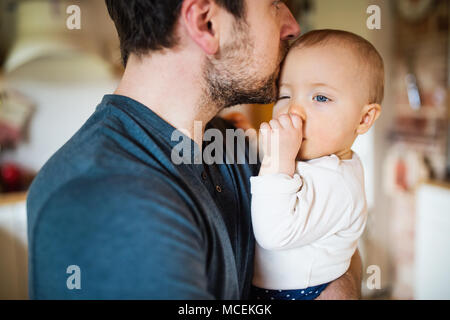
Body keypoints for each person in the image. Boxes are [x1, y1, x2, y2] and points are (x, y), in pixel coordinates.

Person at [27, 0, 361, 299]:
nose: (292, 25)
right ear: (206, 23)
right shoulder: (107, 199)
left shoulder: (229, 142)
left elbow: (334, 239)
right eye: (274, 4)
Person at [249, 30, 384, 300]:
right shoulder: (317, 160)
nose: (293, 111)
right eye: (285, 96)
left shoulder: (338, 183)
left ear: (364, 118)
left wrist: (278, 159)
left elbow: (273, 234)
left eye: (321, 98)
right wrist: (250, 139)